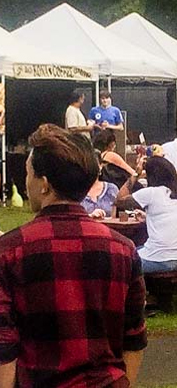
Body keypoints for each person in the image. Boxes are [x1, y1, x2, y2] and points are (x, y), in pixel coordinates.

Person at [0, 124, 146, 385]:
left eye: (28, 174)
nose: (26, 182)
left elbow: (4, 347)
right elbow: (134, 337)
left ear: (44, 185)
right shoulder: (123, 249)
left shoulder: (10, 251)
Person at [118, 156, 177, 274]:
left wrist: (135, 174)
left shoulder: (152, 193)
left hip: (159, 258)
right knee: (134, 251)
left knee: (118, 261)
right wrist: (147, 217)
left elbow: (119, 200)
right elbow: (169, 218)